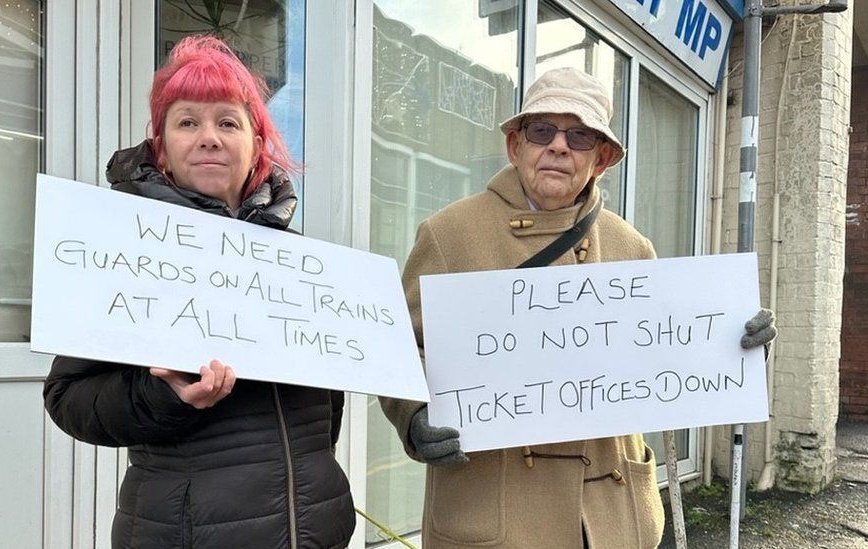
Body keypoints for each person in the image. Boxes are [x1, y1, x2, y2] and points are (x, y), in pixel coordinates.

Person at [380, 67, 777, 549]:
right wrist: (415, 414)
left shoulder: (630, 246)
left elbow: (664, 354)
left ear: (602, 159)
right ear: (515, 146)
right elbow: (398, 349)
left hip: (606, 516)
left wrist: (735, 346)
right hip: (495, 510)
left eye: (580, 135)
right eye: (541, 130)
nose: (558, 146)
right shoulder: (449, 234)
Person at [43, 35, 355, 549]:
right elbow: (67, 398)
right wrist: (166, 395)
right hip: (184, 533)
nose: (209, 137)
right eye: (188, 122)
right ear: (161, 145)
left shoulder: (300, 265)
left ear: (257, 142)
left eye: (228, 122)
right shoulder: (123, 248)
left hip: (314, 529)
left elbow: (326, 407)